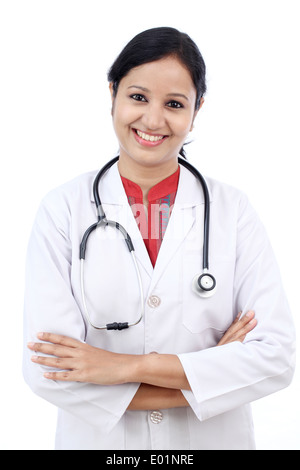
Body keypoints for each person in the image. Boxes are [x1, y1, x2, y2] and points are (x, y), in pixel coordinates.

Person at [23, 27, 295, 450]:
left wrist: (118, 366)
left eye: (174, 104)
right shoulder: (62, 210)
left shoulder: (233, 211)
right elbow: (48, 368)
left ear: (197, 108)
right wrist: (210, 374)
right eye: (137, 97)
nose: (152, 120)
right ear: (112, 92)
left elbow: (275, 357)